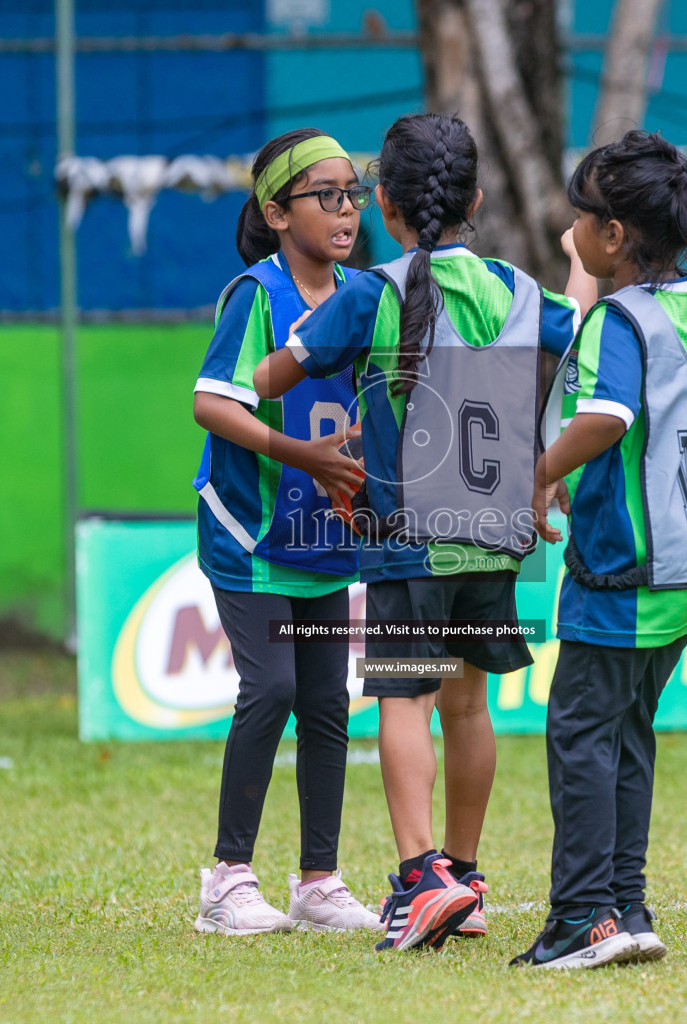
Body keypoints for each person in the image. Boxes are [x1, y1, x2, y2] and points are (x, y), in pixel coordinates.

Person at [254, 113, 588, 952]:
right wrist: (580, 267)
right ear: (474, 198)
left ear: (386, 207)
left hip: (413, 537)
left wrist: (275, 354)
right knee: (471, 706)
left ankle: (418, 879)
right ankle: (466, 879)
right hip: (496, 533)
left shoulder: (370, 290)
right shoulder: (516, 289)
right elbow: (575, 324)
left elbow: (271, 375)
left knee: (403, 698)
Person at [511, 131, 687, 969]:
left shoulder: (618, 320)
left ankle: (581, 917)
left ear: (613, 235)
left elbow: (604, 418)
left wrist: (535, 476)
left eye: (580, 219)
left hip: (626, 566)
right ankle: (627, 906)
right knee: (627, 733)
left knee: (579, 732)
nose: (569, 231)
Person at [190, 129, 382, 935]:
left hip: (322, 534)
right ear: (276, 211)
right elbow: (212, 402)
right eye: (325, 195)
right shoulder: (255, 295)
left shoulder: (365, 292)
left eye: (354, 194)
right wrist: (299, 452)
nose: (346, 210)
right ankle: (227, 879)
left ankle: (318, 881)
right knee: (268, 689)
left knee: (327, 704)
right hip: (251, 533)